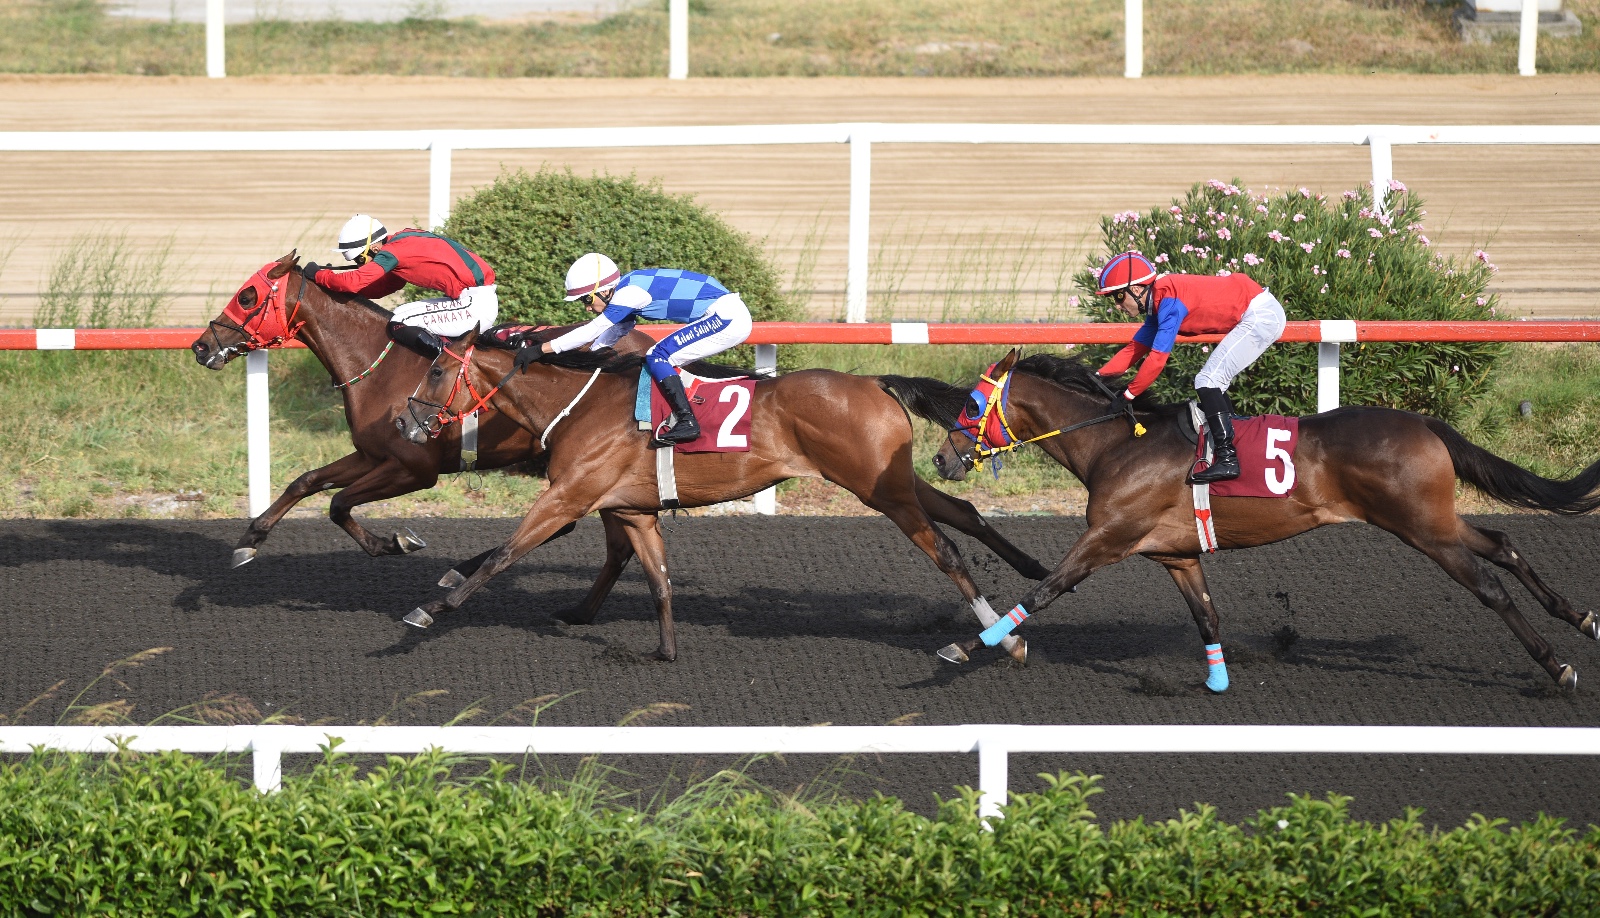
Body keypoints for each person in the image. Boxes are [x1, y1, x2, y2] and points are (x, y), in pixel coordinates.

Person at [1093, 251, 1286, 483]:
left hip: (1261, 315)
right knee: (1212, 382)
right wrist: (1096, 378)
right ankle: (1234, 449)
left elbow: (1157, 359)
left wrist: (1128, 395)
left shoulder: (1169, 301)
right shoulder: (1158, 302)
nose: (1117, 305)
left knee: (1208, 380)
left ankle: (1228, 459)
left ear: (1136, 289)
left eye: (1118, 296)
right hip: (1257, 312)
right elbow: (1135, 349)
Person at [538, 253, 752, 447]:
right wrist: (591, 358)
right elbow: (617, 331)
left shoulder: (628, 294)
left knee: (658, 356)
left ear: (603, 291)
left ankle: (687, 420)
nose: (587, 307)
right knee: (658, 358)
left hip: (726, 317)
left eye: (587, 299)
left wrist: (542, 349)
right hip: (725, 313)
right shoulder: (626, 287)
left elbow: (592, 329)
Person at [301, 214, 498, 360]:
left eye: (361, 259)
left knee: (399, 321)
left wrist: (320, 276)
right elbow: (381, 288)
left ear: (374, 247)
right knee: (399, 314)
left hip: (475, 305)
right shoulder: (402, 241)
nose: (361, 265)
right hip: (472, 299)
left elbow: (355, 281)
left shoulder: (393, 252)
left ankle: (445, 363)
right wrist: (336, 286)